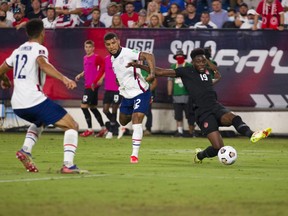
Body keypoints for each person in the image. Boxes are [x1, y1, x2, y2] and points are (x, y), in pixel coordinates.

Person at [129, 48, 272, 164]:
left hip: (215, 106)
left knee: (234, 118)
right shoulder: (186, 71)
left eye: (204, 61)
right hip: (202, 112)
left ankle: (252, 134)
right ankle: (200, 155)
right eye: (199, 62)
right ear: (193, 62)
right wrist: (140, 65)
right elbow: (160, 72)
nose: (202, 64)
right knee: (217, 148)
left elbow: (218, 75)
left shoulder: (206, 72)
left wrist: (206, 61)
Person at [0, 19, 87, 174]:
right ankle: (68, 165)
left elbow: (1, 69)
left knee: (40, 121)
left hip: (17, 104)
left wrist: (5, 80)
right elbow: (43, 64)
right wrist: (65, 79)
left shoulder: (18, 50)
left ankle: (25, 149)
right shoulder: (39, 49)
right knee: (72, 126)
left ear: (27, 33)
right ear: (42, 32)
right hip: (32, 99)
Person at [103, 32, 156, 163]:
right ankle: (133, 112)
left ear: (118, 41)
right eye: (108, 44)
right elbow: (119, 74)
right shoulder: (112, 59)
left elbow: (149, 55)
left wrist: (152, 73)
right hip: (126, 95)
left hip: (141, 92)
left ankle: (134, 155)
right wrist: (119, 81)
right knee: (123, 121)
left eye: (113, 43)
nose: (111, 46)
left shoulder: (128, 52)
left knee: (136, 119)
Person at [75, 40, 107, 138]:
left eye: (90, 47)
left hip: (91, 86)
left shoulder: (96, 57)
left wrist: (101, 79)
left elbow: (105, 67)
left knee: (84, 106)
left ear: (93, 48)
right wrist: (81, 74)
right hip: (88, 85)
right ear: (84, 48)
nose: (88, 49)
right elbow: (87, 69)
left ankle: (89, 129)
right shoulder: (85, 58)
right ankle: (103, 128)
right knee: (92, 108)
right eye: (86, 47)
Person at [168, 49, 195, 137]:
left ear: (184, 57)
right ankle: (180, 131)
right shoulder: (173, 66)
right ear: (176, 58)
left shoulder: (188, 65)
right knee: (178, 115)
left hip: (187, 94)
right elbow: (170, 81)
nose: (179, 58)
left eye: (181, 56)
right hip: (176, 94)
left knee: (190, 114)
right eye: (178, 56)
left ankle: (191, 132)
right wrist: (169, 93)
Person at [102, 55, 122, 139]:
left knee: (114, 109)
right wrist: (101, 78)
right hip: (108, 88)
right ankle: (117, 125)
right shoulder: (106, 58)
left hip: (117, 89)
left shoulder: (121, 58)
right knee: (105, 110)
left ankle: (110, 131)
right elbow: (105, 70)